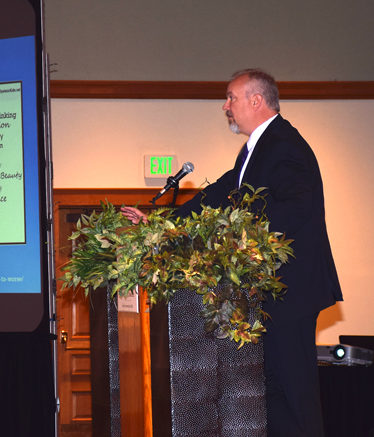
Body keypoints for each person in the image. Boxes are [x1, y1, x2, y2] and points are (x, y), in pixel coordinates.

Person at [122, 68, 343, 436]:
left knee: (295, 392)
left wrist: (240, 234)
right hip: (269, 294)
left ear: (256, 101)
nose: (225, 106)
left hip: (289, 291)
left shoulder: (285, 145)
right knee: (273, 393)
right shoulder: (254, 150)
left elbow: (299, 208)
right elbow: (216, 195)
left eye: (231, 98)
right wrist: (162, 225)